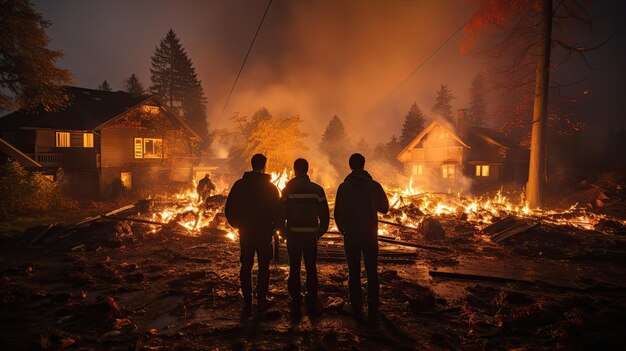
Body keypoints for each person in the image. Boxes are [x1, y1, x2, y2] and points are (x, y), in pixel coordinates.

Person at [334, 153, 389, 321]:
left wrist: (343, 230)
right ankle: (373, 307)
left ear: (350, 166)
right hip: (370, 234)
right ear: (363, 165)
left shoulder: (344, 187)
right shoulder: (374, 186)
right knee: (372, 272)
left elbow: (337, 214)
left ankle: (356, 308)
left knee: (354, 272)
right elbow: (385, 208)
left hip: (351, 235)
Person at [225, 154, 281, 314]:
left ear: (252, 165)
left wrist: (237, 225)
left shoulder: (240, 185)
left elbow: (229, 208)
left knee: (246, 266)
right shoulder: (270, 188)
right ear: (264, 166)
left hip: (246, 232)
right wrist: (274, 228)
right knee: (264, 266)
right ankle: (261, 300)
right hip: (264, 234)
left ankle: (247, 302)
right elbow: (277, 211)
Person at [281, 158, 330, 315]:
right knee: (311, 268)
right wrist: (318, 232)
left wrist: (284, 232)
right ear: (307, 170)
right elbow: (325, 216)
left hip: (293, 235)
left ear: (295, 170)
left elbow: (280, 214)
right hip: (310, 236)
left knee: (294, 268)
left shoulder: (287, 190)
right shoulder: (317, 190)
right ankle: (311, 296)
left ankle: (295, 297)